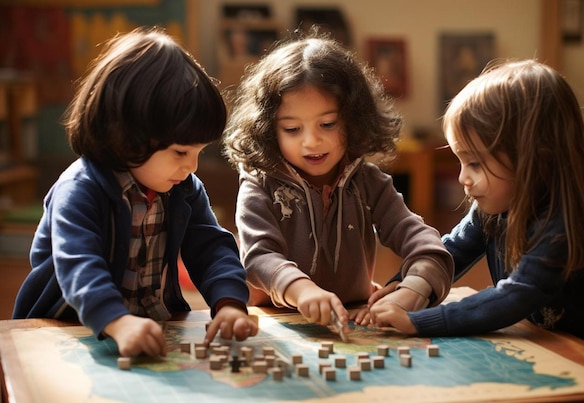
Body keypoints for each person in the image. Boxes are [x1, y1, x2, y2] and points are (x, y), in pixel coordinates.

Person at [12, 27, 258, 357]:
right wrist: (118, 321)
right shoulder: (79, 190)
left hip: (151, 327)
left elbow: (211, 246)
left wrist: (229, 302)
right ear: (127, 137)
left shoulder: (182, 188)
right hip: (70, 330)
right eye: (181, 152)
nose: (193, 167)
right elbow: (79, 265)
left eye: (199, 152)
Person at [369, 59, 584, 357]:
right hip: (557, 348)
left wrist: (418, 322)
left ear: (536, 162)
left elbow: (515, 295)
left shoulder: (565, 227)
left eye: (475, 163)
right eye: (460, 161)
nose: (463, 178)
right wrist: (406, 285)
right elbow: (449, 252)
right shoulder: (493, 208)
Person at [221, 33, 454, 331]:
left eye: (327, 124)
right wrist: (301, 290)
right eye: (292, 129)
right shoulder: (259, 184)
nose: (311, 141)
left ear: (353, 119)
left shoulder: (370, 182)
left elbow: (427, 246)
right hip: (279, 321)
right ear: (268, 129)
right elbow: (258, 257)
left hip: (354, 319)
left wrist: (412, 291)